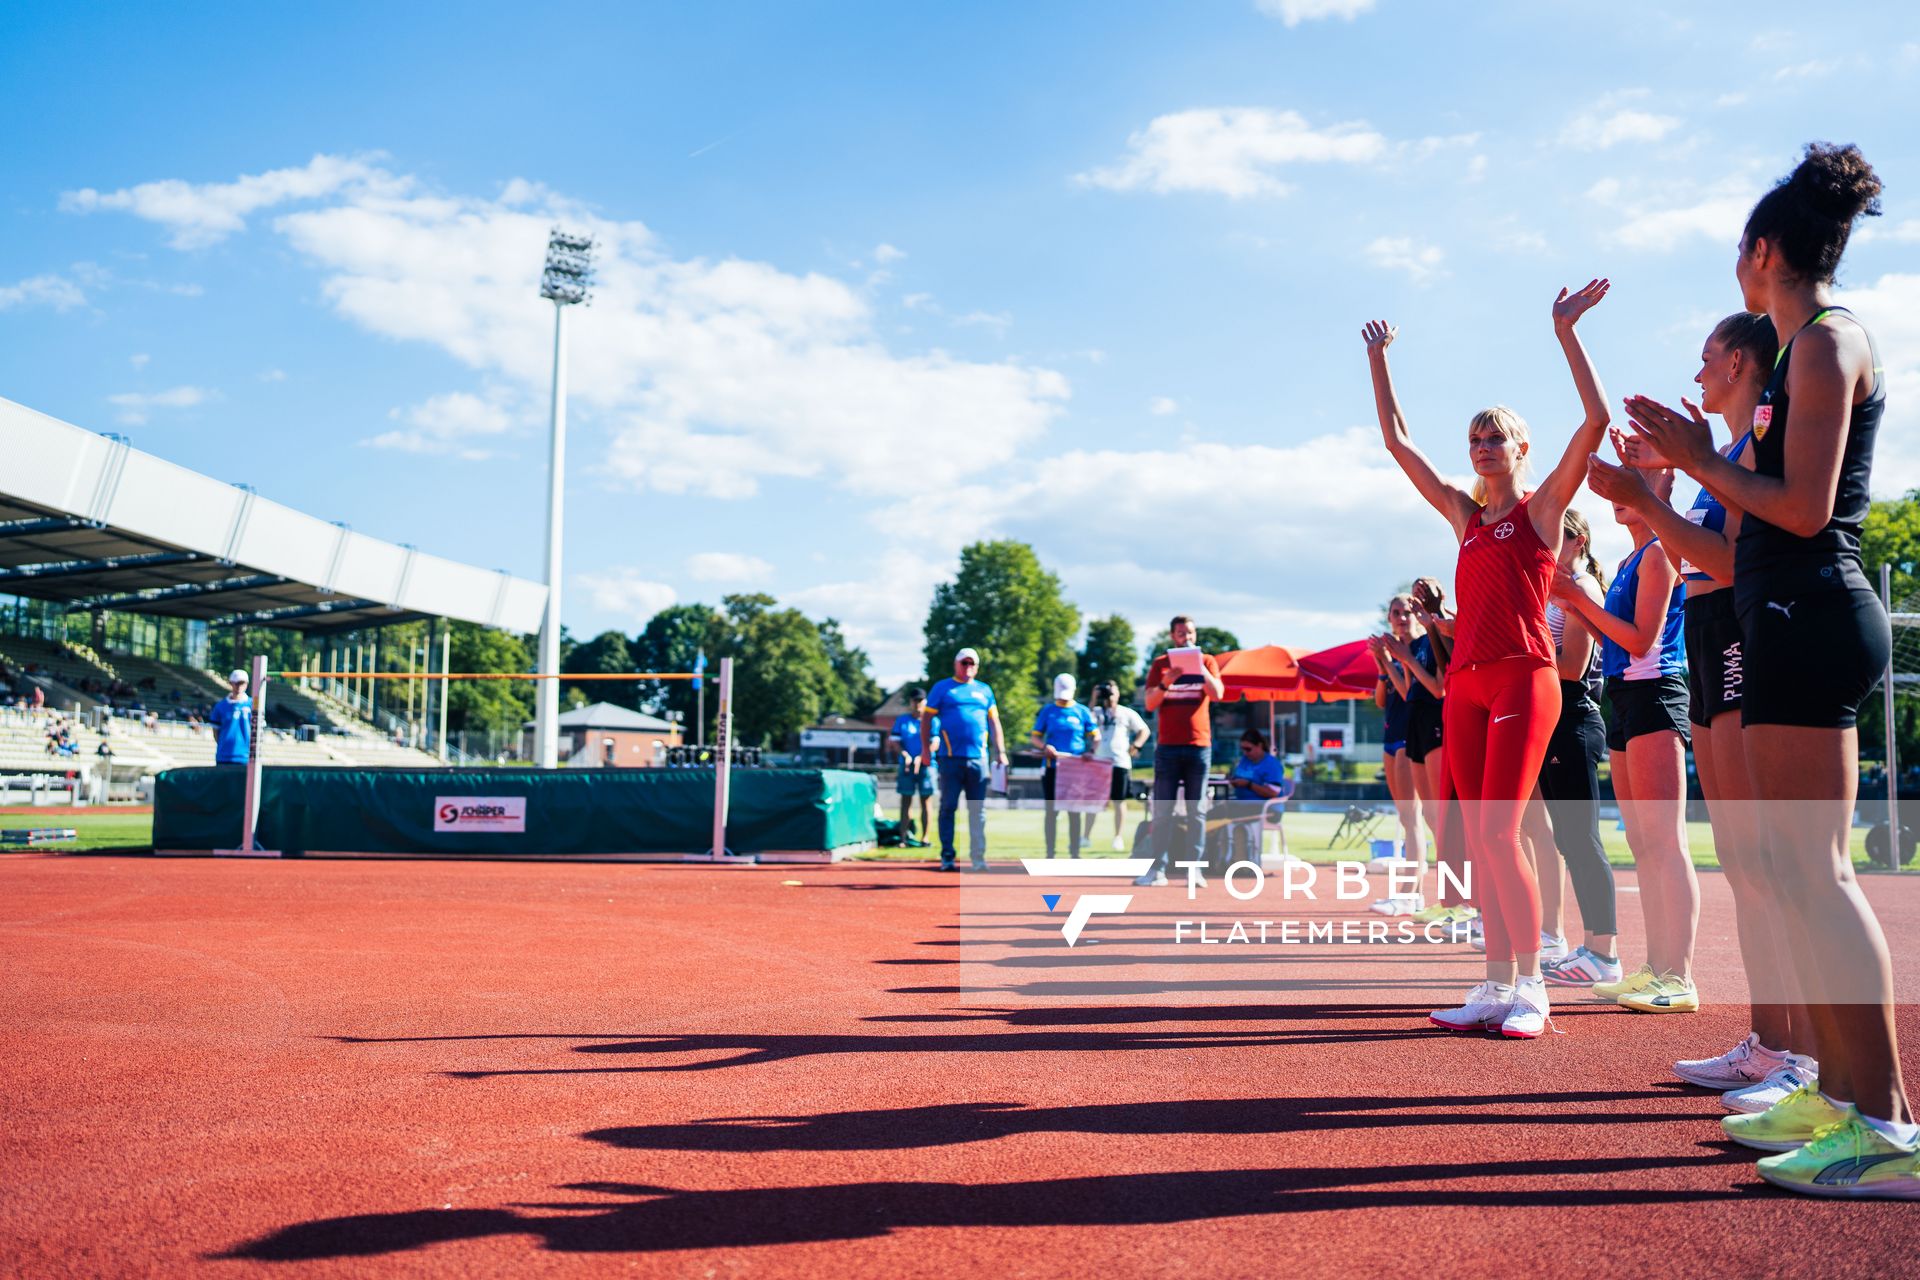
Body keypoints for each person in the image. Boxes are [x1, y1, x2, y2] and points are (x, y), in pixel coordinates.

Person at [1624, 143, 1916, 1195]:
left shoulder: (1829, 344)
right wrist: (1690, 455)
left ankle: (1884, 1120)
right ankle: (1840, 1097)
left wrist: (1696, 460)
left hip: (1811, 609)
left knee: (1819, 872)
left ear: (1762, 253)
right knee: (1797, 872)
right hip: (1786, 610)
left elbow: (1801, 507)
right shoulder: (1800, 355)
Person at [1363, 275, 1611, 1039]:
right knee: (1474, 833)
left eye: (1495, 437)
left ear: (1521, 448)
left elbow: (1595, 421)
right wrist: (1380, 361)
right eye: (1475, 439)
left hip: (1524, 678)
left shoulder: (1539, 513)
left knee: (1502, 829)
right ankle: (1496, 982)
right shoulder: (1465, 516)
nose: (1483, 447)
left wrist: (1567, 333)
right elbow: (1398, 444)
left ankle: (1533, 985)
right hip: (1463, 687)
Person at [1593, 313, 1819, 1105]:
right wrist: (1648, 481)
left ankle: (1803, 1058)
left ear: (1742, 365)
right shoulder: (1724, 457)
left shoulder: (1754, 450)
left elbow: (1720, 556)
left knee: (1775, 864)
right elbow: (1690, 534)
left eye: (1706, 362)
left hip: (1737, 637)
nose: (1696, 377)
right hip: (1715, 639)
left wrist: (1647, 498)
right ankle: (1771, 1043)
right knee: (1743, 861)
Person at [1557, 466, 1699, 1014]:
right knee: (1643, 844)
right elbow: (1612, 639)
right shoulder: (1626, 562)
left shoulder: (1663, 552)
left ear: (1661, 489)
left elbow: (1642, 642)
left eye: (1637, 481)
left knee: (1666, 843)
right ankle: (1654, 968)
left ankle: (1679, 975)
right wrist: (1578, 608)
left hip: (1657, 694)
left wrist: (1576, 597)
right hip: (1624, 699)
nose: (1620, 492)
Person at [1519, 509, 1621, 987]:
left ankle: (1604, 951)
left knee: (1582, 837)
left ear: (1577, 541)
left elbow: (1572, 667)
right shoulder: (1552, 592)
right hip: (1555, 718)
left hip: (1576, 716)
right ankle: (1590, 947)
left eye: (1555, 538)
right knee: (1568, 840)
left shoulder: (1582, 590)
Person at [1134, 615, 1226, 887]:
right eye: (1181, 633)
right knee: (1163, 810)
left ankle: (1193, 869)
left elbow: (1218, 693)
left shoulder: (1208, 661)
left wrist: (1201, 669)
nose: (1187, 637)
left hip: (1198, 746)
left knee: (1196, 811)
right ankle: (1156, 869)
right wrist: (1167, 681)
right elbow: (1150, 703)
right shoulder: (1160, 664)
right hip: (1168, 748)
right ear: (1173, 636)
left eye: (1191, 633)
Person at [921, 648, 1007, 872]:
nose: (968, 667)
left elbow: (994, 723)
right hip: (950, 760)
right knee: (948, 808)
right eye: (964, 663)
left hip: (978, 760)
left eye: (972, 664)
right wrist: (925, 749)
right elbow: (926, 719)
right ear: (956, 664)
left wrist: (1001, 751)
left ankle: (978, 858)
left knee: (977, 811)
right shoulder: (942, 688)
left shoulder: (985, 691)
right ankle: (947, 856)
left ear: (977, 667)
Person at [1031, 674, 1100, 859]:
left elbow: (1096, 736)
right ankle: (1050, 853)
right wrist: (1045, 747)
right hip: (1052, 767)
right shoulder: (1048, 711)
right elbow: (1035, 736)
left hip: (1074, 769)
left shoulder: (1082, 711)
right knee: (1052, 812)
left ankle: (1075, 853)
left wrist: (1090, 751)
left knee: (1074, 812)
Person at [1090, 681, 1150, 850]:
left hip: (1119, 762)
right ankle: (1085, 836)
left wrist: (1136, 745)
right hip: (1098, 762)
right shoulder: (1095, 712)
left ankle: (1118, 837)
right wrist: (1094, 699)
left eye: (1112, 690)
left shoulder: (1126, 712)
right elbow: (1084, 723)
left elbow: (1144, 730)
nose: (1109, 694)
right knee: (1093, 800)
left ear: (1118, 693)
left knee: (1119, 800)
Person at [1222, 729, 1287, 865]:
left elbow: (1273, 792)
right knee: (1216, 812)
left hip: (1267, 809)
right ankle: (1221, 858)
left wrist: (1249, 785)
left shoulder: (1271, 764)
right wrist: (1234, 781)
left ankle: (1240, 860)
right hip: (1243, 805)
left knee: (1222, 813)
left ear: (1259, 745)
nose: (1245, 753)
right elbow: (1238, 779)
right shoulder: (1245, 761)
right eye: (1242, 749)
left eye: (1248, 749)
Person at [890, 688, 937, 845]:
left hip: (926, 766)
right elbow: (895, 741)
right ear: (910, 702)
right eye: (914, 700)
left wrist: (921, 757)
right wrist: (905, 755)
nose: (917, 703)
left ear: (925, 702)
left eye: (920, 700)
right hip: (907, 766)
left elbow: (935, 742)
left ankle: (925, 838)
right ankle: (903, 838)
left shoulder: (932, 720)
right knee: (905, 801)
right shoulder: (902, 720)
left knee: (926, 801)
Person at [209, 669, 253, 766]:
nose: (239, 686)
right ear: (231, 683)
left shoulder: (253, 705)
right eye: (236, 683)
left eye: (242, 683)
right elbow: (216, 732)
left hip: (246, 757)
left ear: (246, 684)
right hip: (223, 756)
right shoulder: (220, 706)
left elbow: (257, 730)